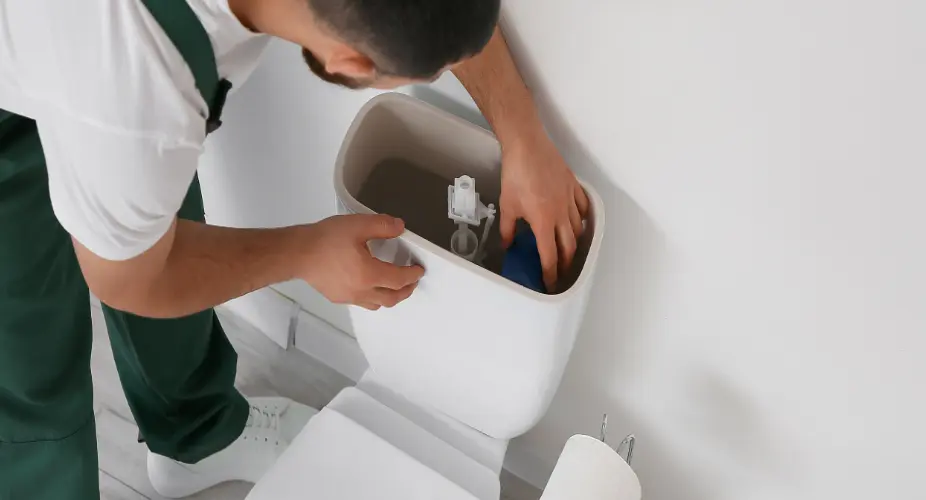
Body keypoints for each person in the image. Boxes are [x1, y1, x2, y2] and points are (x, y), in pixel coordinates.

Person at [0, 0, 588, 498]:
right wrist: (305, 253)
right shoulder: (136, 102)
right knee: (30, 360)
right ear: (351, 64)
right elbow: (126, 279)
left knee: (155, 215)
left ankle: (197, 438)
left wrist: (522, 134)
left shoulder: (145, 111)